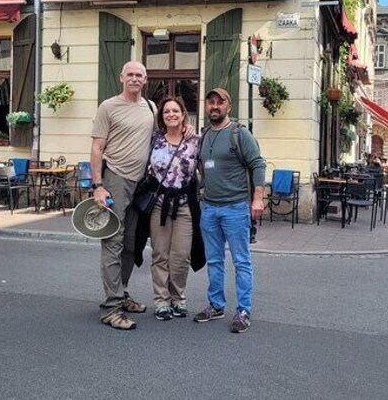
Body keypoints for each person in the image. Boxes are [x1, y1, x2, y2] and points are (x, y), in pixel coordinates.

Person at [90, 61, 194, 330]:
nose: (135, 79)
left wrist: (188, 129)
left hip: (141, 185)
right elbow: (96, 147)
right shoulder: (108, 107)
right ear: (122, 77)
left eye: (140, 75)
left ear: (145, 79)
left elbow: (166, 134)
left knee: (130, 243)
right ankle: (110, 308)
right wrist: (97, 186)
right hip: (115, 180)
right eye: (131, 74)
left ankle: (121, 293)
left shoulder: (150, 108)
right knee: (113, 243)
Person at [193, 87, 266, 333]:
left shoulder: (239, 133)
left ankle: (243, 310)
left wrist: (258, 198)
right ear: (206, 107)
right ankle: (216, 305)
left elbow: (258, 163)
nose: (215, 106)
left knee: (241, 261)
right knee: (213, 260)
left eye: (220, 102)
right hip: (210, 208)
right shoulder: (203, 136)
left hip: (235, 207)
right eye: (210, 102)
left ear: (229, 106)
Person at [133, 97, 205, 321]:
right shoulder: (154, 139)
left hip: (184, 205)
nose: (171, 114)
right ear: (161, 117)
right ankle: (161, 300)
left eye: (175, 111)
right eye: (166, 112)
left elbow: (205, 171)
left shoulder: (195, 140)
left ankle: (178, 298)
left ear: (183, 114)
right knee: (159, 253)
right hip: (159, 205)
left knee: (181, 255)